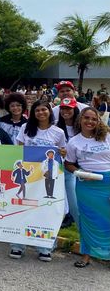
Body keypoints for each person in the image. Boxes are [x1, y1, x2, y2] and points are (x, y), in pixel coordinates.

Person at [12, 99, 66, 262]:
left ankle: (45, 247)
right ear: (33, 113)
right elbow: (19, 150)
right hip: (29, 178)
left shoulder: (58, 132)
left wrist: (62, 153)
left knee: (46, 211)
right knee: (23, 209)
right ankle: (17, 245)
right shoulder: (25, 128)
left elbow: (62, 153)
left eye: (44, 109)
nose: (41, 113)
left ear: (50, 111)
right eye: (37, 110)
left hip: (48, 178)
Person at [64, 107, 110, 267]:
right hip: (86, 185)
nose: (90, 121)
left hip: (107, 183)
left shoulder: (107, 136)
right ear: (80, 119)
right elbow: (68, 164)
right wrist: (80, 172)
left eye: (94, 119)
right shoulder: (74, 142)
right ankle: (86, 255)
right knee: (87, 220)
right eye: (87, 118)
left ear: (98, 121)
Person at [56, 97, 80, 228]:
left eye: (69, 108)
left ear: (75, 109)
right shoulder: (56, 127)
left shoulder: (82, 127)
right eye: (63, 109)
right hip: (57, 170)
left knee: (74, 204)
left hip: (74, 170)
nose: (65, 111)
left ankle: (83, 232)